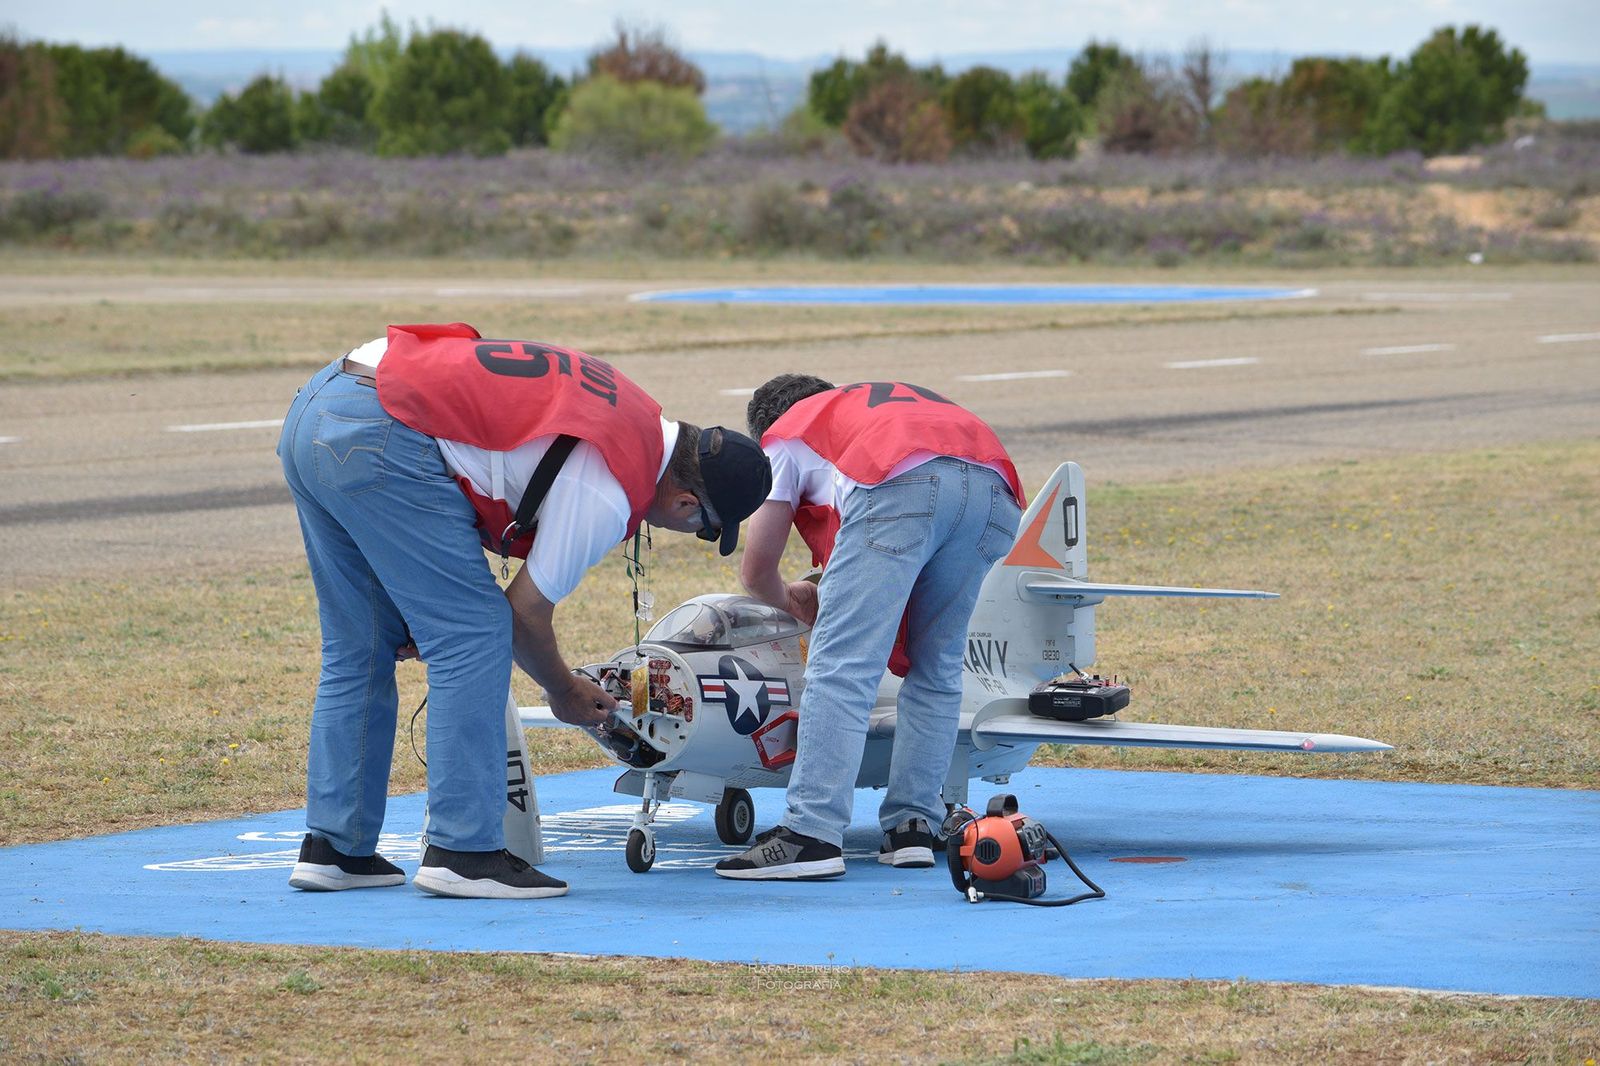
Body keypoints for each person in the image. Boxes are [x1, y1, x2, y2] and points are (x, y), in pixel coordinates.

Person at [277, 323, 771, 899]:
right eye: (705, 530)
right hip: (385, 430)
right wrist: (564, 690)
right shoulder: (610, 489)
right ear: (688, 503)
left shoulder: (637, 417)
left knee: (360, 644)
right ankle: (463, 851)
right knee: (476, 633)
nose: (693, 533)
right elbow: (522, 615)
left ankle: (335, 848)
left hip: (323, 401)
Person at [716, 374, 1023, 881]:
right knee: (938, 665)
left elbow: (756, 569)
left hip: (904, 482)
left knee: (842, 665)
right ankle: (914, 826)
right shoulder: (860, 405)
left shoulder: (787, 434)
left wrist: (794, 600)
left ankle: (811, 833)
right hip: (995, 485)